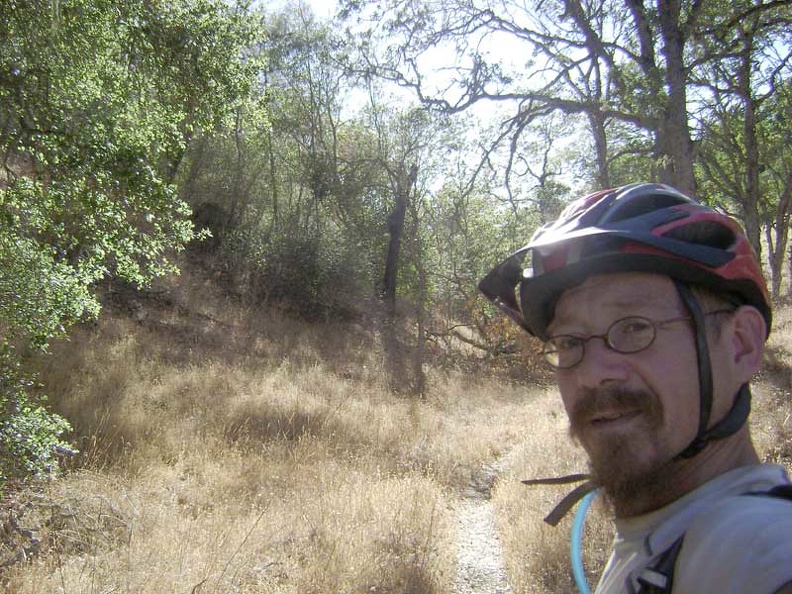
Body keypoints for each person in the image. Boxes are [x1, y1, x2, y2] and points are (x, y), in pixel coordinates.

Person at [478, 182, 792, 594]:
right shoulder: (665, 537)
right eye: (570, 342)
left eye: (634, 328)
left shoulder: (755, 546)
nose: (592, 373)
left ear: (740, 346)